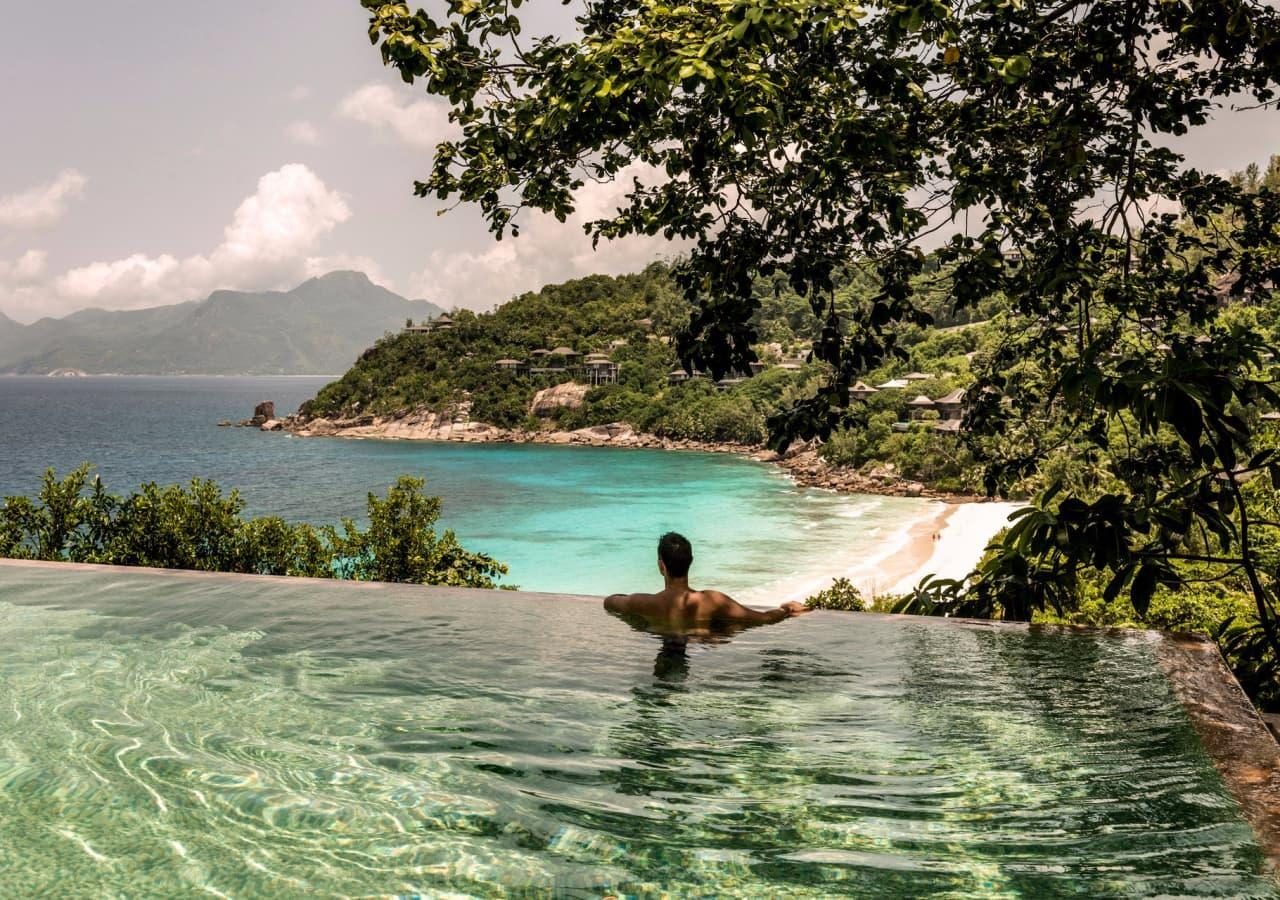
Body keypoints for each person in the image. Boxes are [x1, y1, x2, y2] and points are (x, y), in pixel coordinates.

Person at [604, 532, 809, 627]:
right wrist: (787, 609)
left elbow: (610, 601)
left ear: (661, 566)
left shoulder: (642, 602)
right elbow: (763, 619)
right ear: (691, 561)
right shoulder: (712, 601)